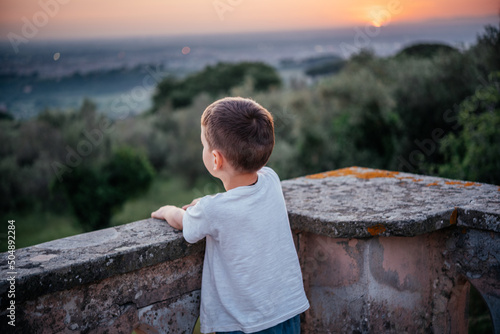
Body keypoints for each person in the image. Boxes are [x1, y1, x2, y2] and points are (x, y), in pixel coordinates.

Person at [151, 97, 309, 333]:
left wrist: (166, 211)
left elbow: (184, 223)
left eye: (204, 144)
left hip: (245, 323)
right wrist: (206, 206)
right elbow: (241, 199)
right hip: (287, 311)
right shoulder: (271, 180)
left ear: (216, 159)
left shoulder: (212, 210)